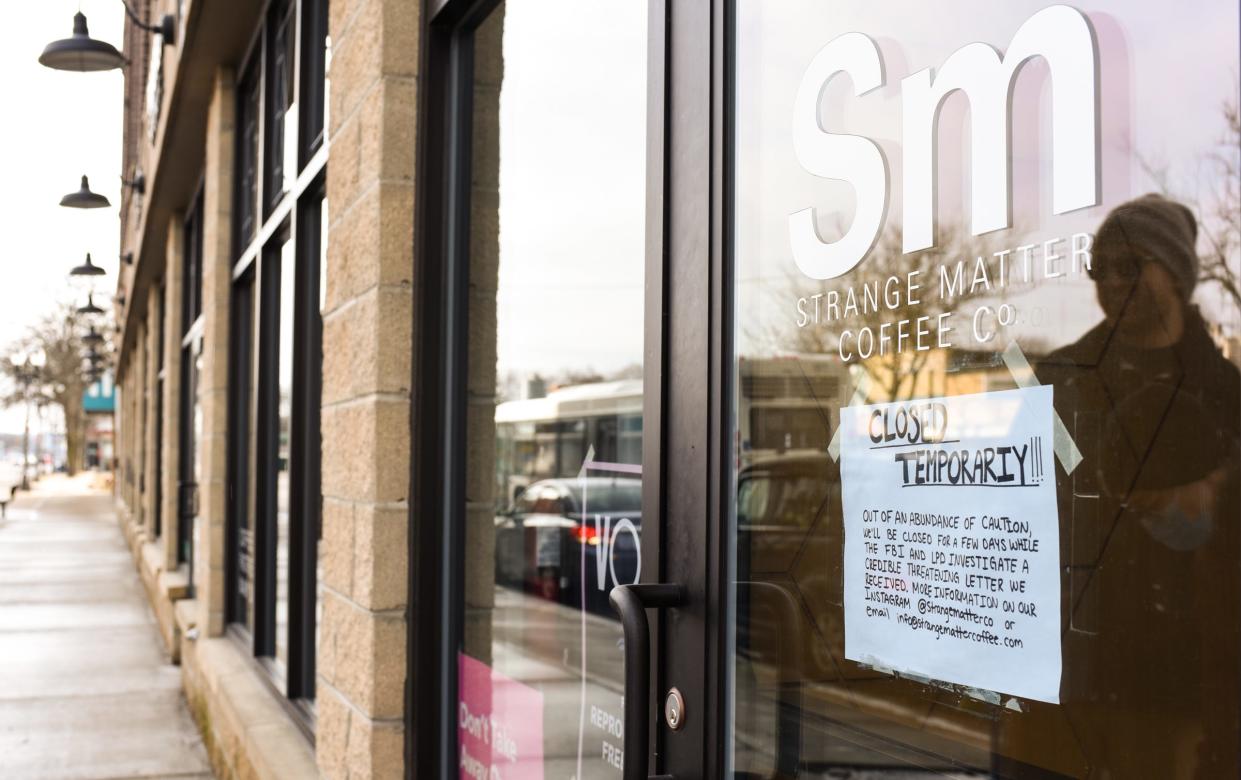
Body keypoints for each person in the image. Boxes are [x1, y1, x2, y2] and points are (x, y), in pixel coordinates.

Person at [1038, 194, 1240, 778]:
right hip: (1064, 673)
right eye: (1100, 268)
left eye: (1131, 264)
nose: (1112, 281)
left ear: (1175, 272)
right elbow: (1026, 507)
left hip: (1177, 682)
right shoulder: (1060, 380)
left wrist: (1211, 498)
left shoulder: (1226, 396)